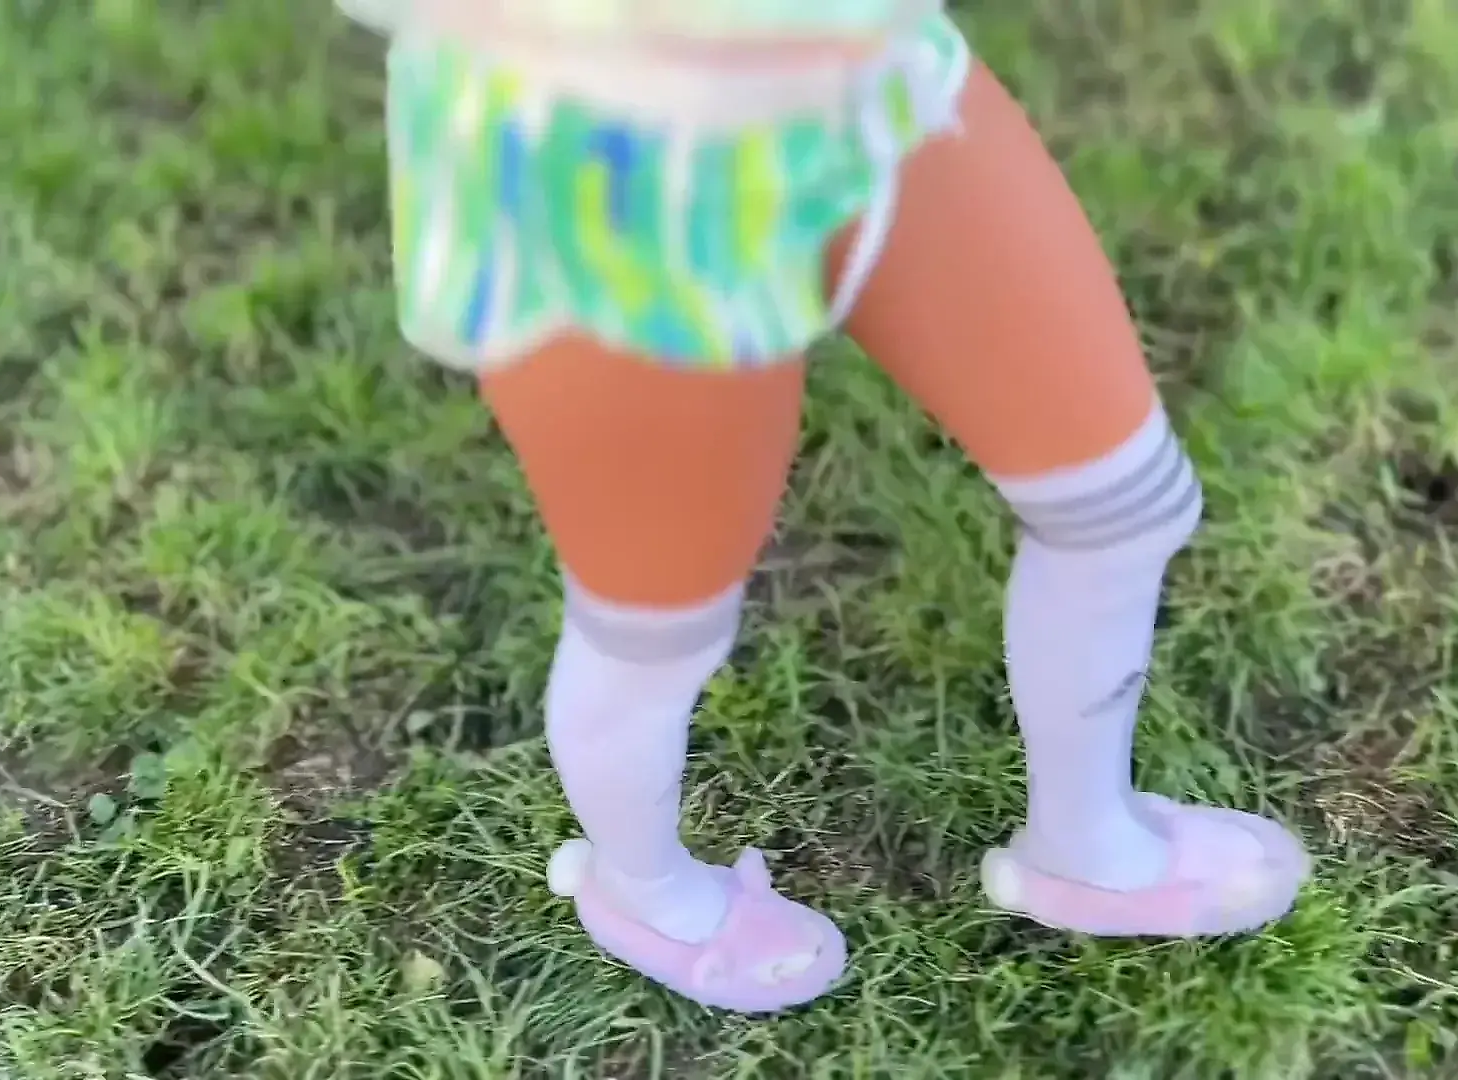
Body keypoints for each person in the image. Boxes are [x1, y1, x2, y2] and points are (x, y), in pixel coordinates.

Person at [350, 0, 1312, 1013]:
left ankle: (1086, 840)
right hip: (622, 174)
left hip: (876, 84)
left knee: (1124, 503)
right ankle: (645, 890)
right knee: (655, 632)